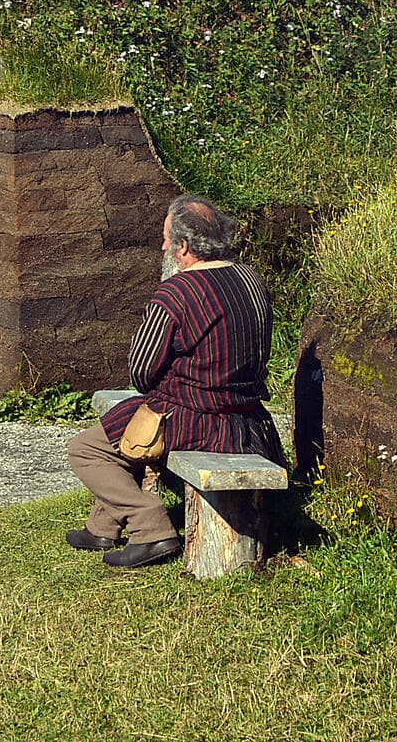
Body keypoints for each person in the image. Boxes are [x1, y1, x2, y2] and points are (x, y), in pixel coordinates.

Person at [65, 193, 285, 568]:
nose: (163, 245)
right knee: (123, 426)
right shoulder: (251, 280)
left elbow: (141, 372)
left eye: (167, 239)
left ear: (184, 246)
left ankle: (151, 528)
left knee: (87, 449)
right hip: (249, 419)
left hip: (196, 419)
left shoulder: (176, 294)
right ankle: (102, 525)